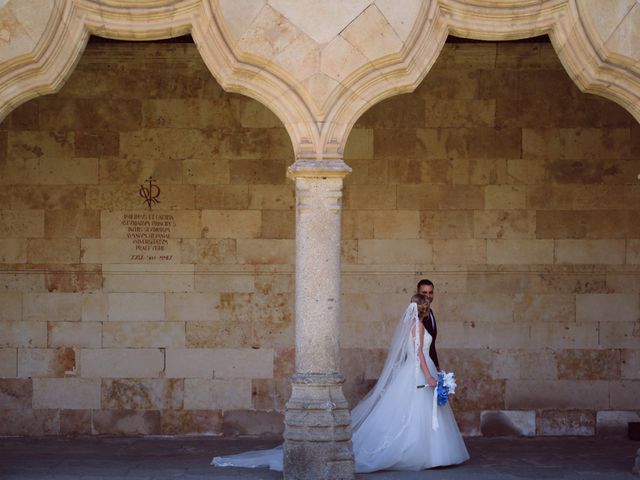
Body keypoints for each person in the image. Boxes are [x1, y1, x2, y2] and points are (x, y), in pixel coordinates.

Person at [212, 288, 469, 472]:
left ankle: (433, 454)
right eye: (424, 303)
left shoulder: (422, 325)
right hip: (418, 372)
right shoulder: (418, 327)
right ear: (420, 308)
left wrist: (435, 372)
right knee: (412, 414)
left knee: (424, 414)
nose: (426, 306)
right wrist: (429, 376)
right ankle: (420, 454)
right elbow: (418, 356)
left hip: (424, 371)